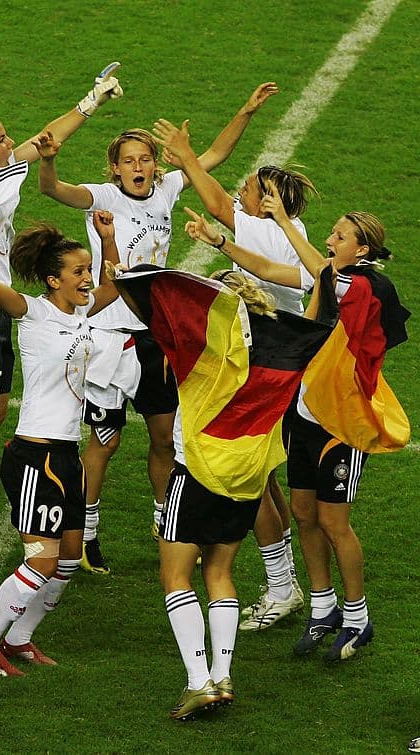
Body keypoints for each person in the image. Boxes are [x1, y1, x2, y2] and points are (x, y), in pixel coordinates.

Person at [38, 83, 280, 574]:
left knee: (165, 436)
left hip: (156, 334)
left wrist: (246, 111)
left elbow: (211, 154)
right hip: (108, 336)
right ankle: (86, 534)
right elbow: (51, 189)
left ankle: (163, 520)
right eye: (129, 160)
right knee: (104, 440)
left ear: (154, 164)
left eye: (145, 158)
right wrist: (47, 160)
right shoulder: (101, 196)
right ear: (114, 168)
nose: (139, 167)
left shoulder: (168, 186)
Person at [0, 30, 123, 563]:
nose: (12, 144)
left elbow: (45, 139)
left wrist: (90, 100)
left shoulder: (0, 172)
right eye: (0, 139)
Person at [184, 198, 410, 662]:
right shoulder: (333, 277)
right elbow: (270, 268)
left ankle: (357, 616)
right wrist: (220, 242)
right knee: (305, 512)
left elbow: (324, 275)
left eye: (339, 237)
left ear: (362, 249)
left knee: (334, 521)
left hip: (341, 420)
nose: (330, 241)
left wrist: (285, 222)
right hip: (305, 411)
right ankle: (323, 606)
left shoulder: (365, 285)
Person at [152, 118, 321, 630]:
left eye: (248, 187)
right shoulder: (292, 234)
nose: (238, 191)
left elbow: (221, 208)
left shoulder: (270, 232)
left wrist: (184, 157)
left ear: (269, 201)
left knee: (251, 478)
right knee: (263, 478)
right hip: (273, 372)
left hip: (260, 376)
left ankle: (279, 585)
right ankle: (284, 579)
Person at [0, 210, 120, 676]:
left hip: (67, 455)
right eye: (78, 271)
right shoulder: (35, 314)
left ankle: (19, 637)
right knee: (42, 561)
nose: (88, 279)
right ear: (53, 280)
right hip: (34, 457)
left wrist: (107, 241)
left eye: (88, 270)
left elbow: (114, 287)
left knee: (68, 559)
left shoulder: (82, 314)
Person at [155, 270, 280, 719]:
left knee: (176, 577)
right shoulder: (269, 352)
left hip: (196, 474)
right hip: (244, 479)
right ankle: (223, 674)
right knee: (220, 573)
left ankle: (197, 681)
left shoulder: (199, 350)